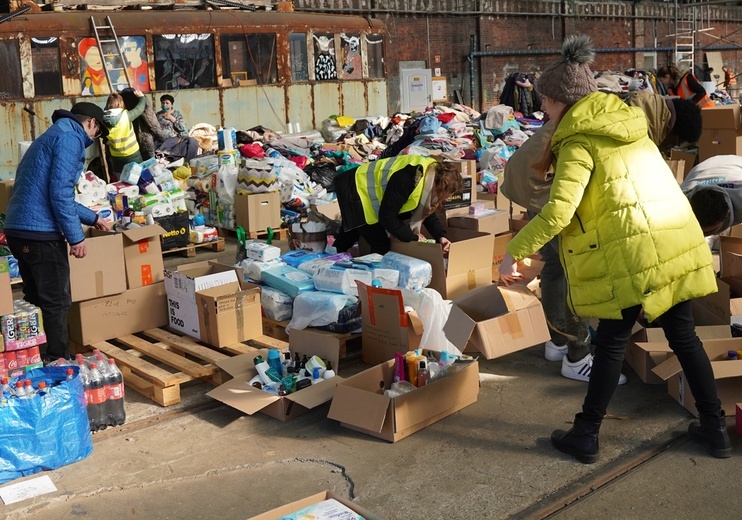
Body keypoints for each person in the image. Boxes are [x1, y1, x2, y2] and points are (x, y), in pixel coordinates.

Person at [498, 35, 730, 463]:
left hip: (631, 251)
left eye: (546, 102)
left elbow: (558, 212)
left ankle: (586, 434)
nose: (543, 111)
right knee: (684, 337)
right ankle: (716, 430)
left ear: (563, 101)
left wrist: (513, 251)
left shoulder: (578, 140)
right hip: (671, 239)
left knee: (609, 343)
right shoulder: (629, 125)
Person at [501, 89, 701, 382]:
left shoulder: (628, 104)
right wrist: (512, 254)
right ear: (671, 128)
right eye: (674, 144)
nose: (669, 150)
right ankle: (577, 355)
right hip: (543, 182)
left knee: (557, 268)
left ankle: (557, 342)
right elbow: (570, 205)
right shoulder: (634, 121)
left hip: (531, 174)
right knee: (578, 270)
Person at [4, 102, 111, 361]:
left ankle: (33, 355)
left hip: (20, 229)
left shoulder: (54, 133)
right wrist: (76, 238)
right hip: (40, 234)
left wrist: (94, 217)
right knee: (56, 302)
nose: (94, 138)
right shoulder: (70, 139)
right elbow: (60, 194)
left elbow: (52, 193)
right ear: (91, 124)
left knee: (35, 299)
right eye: (97, 132)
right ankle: (58, 360)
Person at [333, 155, 463, 254]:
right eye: (444, 196)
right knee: (381, 245)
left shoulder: (429, 176)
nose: (444, 199)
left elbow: (427, 211)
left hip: (361, 189)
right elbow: (387, 217)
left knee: (353, 229)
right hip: (355, 189)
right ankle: (374, 282)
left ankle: (331, 255)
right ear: (440, 187)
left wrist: (440, 236)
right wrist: (412, 238)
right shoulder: (409, 179)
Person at [681, 154, 742, 236]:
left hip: (736, 164)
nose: (703, 234)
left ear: (727, 213)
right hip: (707, 166)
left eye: (709, 232)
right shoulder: (681, 199)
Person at [103, 90, 146, 177]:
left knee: (122, 181)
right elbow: (140, 108)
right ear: (121, 103)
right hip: (132, 154)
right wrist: (142, 98)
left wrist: (112, 97)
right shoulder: (126, 116)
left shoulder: (103, 119)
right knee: (139, 178)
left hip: (116, 156)